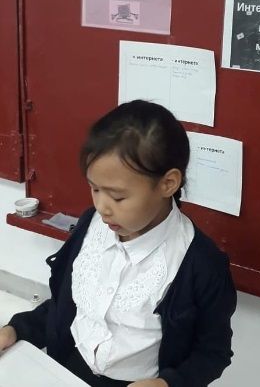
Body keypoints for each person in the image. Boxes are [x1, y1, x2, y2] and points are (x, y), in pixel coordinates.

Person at [0, 100, 237, 387]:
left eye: (118, 196)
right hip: (67, 367)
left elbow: (213, 353)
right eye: (94, 189)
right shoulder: (90, 225)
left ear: (168, 183)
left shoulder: (201, 264)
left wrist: (168, 383)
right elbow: (72, 306)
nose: (102, 207)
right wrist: (18, 329)